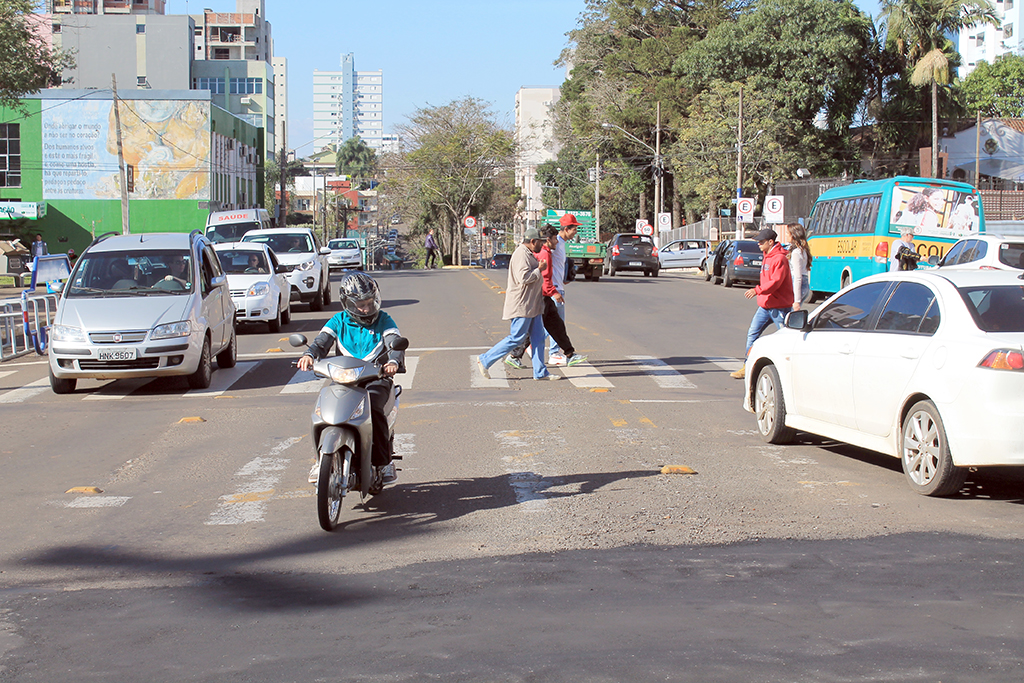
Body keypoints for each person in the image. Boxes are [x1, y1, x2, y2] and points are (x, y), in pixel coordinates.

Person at [297, 272, 405, 485]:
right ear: (348, 303)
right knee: (324, 408)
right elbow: (321, 342)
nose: (366, 309)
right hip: (343, 378)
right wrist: (309, 355)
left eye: (370, 303)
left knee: (373, 407)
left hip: (376, 377)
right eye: (361, 305)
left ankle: (383, 463)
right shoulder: (338, 321)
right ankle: (320, 461)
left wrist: (393, 362)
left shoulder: (384, 319)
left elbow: (395, 341)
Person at [476, 228, 557, 381]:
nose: (543, 244)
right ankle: (485, 359)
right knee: (517, 338)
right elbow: (524, 278)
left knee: (538, 338)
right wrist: (539, 269)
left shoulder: (528, 254)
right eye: (540, 241)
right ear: (532, 241)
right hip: (523, 305)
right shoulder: (521, 254)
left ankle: (540, 372)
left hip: (533, 305)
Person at [505, 225, 588, 370]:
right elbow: (544, 278)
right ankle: (512, 356)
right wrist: (553, 292)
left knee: (552, 325)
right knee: (545, 327)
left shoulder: (546, 252)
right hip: (542, 296)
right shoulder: (544, 254)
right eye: (555, 238)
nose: (557, 241)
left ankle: (569, 354)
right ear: (547, 239)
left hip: (542, 296)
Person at [731, 228, 794, 380]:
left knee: (787, 337)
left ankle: (790, 367)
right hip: (765, 306)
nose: (758, 244)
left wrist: (757, 290)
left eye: (761, 242)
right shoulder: (767, 256)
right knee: (753, 333)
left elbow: (776, 282)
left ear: (770, 242)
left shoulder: (779, 259)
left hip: (779, 307)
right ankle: (748, 365)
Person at [787, 223, 812, 312]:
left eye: (788, 233)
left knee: (790, 315)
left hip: (799, 285)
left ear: (793, 235)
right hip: (804, 284)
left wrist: (796, 301)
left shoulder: (796, 252)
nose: (786, 235)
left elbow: (798, 276)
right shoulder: (802, 250)